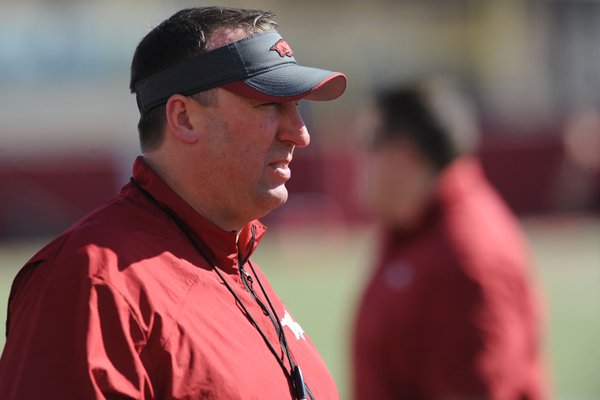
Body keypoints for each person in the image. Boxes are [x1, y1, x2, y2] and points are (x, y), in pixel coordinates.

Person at [0, 6, 346, 399]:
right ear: (183, 118)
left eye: (298, 106)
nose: (300, 135)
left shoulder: (232, 260)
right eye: (269, 104)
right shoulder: (95, 283)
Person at [352, 79, 549, 400]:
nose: (358, 159)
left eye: (368, 143)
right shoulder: (416, 227)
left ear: (404, 154)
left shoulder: (464, 252)